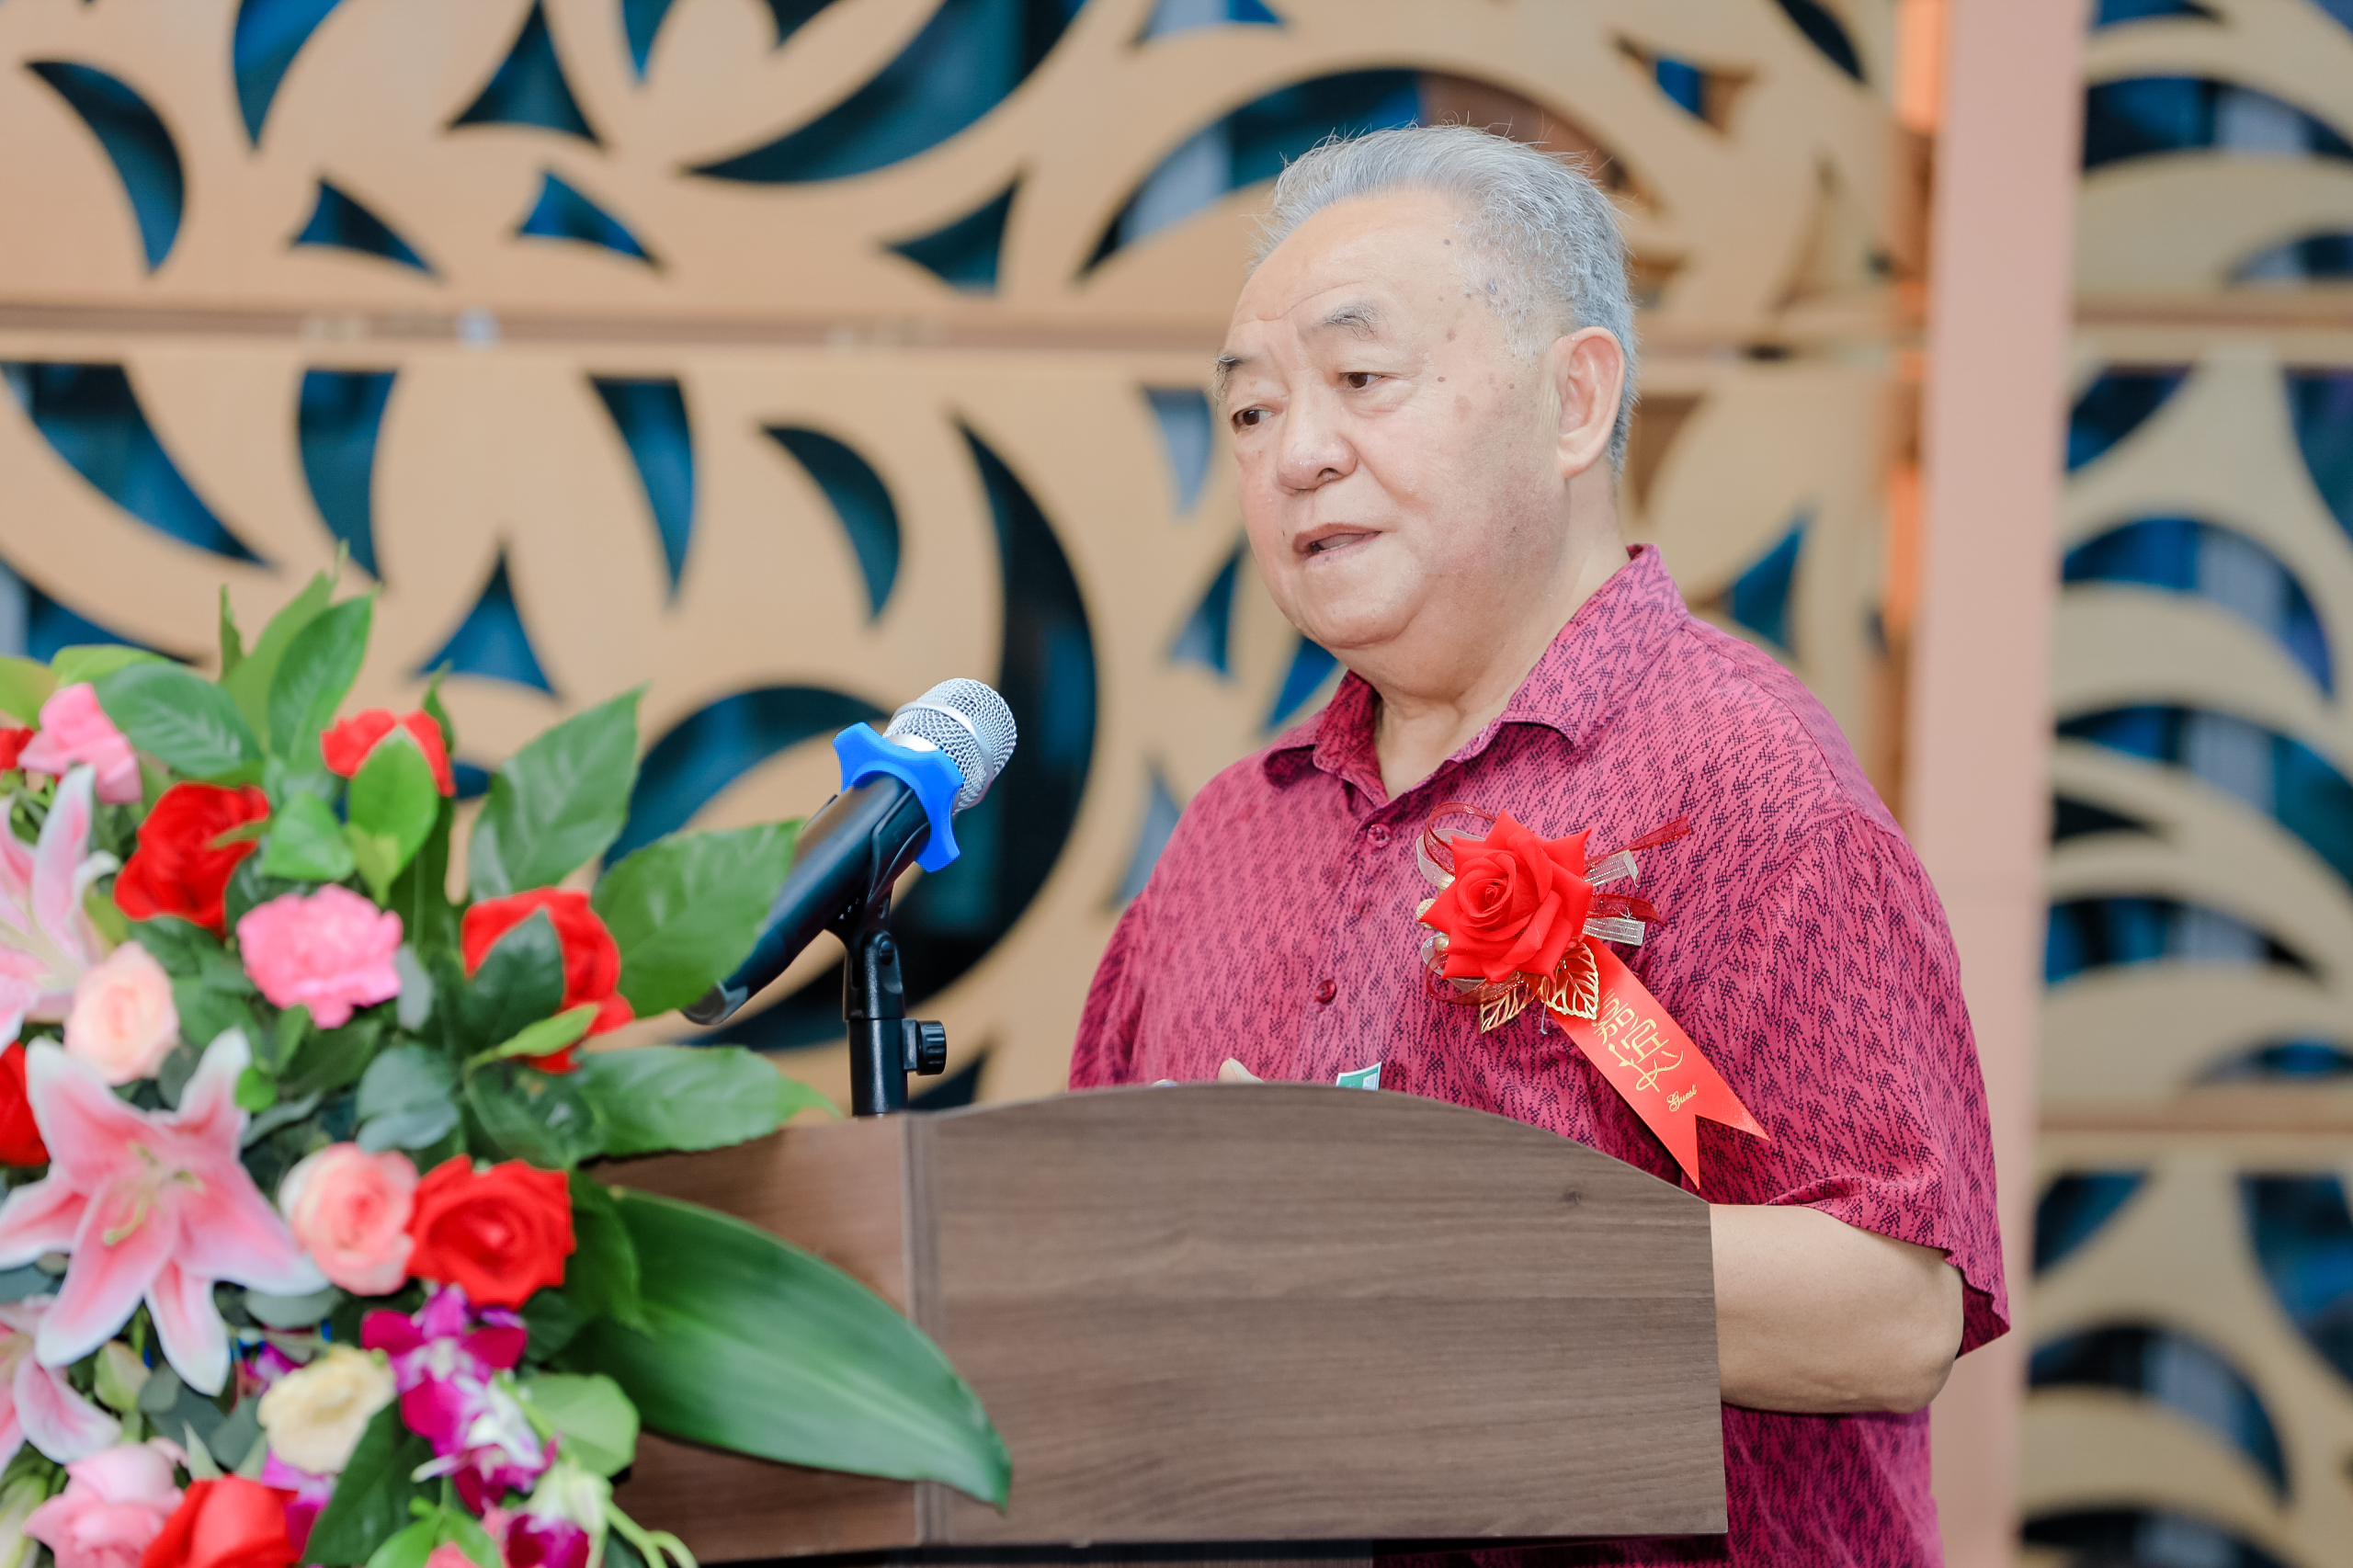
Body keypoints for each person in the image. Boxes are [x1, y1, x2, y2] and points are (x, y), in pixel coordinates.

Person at [1067, 126, 2005, 1566]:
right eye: (1252, 411)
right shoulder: (1230, 836)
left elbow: (1894, 1311)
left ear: (1575, 402)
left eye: (1361, 380)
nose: (1297, 454)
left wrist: (1422, 1238)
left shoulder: (1746, 781)